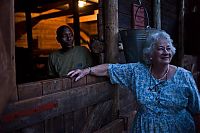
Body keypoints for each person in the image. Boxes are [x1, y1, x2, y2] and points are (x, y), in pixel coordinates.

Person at [67, 30, 200, 133]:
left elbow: (196, 107)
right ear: (150, 54)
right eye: (160, 48)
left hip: (178, 128)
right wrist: (87, 70)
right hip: (145, 128)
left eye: (168, 48)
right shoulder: (138, 71)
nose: (166, 52)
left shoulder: (184, 76)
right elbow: (110, 69)